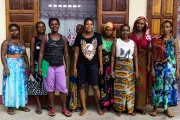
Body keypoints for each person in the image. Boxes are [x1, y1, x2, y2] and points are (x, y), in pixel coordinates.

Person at [38, 18, 71, 117]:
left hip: (60, 66)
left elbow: (65, 53)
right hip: (47, 66)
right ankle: (52, 108)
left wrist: (67, 67)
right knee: (50, 88)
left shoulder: (63, 38)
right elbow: (41, 53)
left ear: (59, 25)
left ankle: (64, 108)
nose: (54, 26)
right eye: (52, 24)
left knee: (63, 88)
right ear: (49, 26)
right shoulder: (46, 38)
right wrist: (40, 67)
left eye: (56, 24)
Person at [73, 17, 104, 116]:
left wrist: (101, 66)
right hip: (81, 65)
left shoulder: (97, 36)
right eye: (87, 24)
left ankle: (98, 106)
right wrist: (74, 67)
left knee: (95, 87)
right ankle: (84, 107)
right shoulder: (79, 37)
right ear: (84, 25)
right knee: (82, 86)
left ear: (93, 25)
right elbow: (77, 52)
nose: (89, 26)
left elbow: (99, 51)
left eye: (91, 24)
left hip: (94, 65)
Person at [150, 20, 179, 118]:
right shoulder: (157, 39)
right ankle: (155, 108)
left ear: (170, 28)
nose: (165, 29)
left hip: (170, 67)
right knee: (157, 87)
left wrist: (178, 69)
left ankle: (166, 109)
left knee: (167, 88)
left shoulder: (174, 40)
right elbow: (153, 54)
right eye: (163, 27)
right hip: (159, 67)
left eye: (167, 27)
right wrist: (152, 68)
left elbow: (176, 55)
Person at [1, 24, 30, 115]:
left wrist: (28, 65)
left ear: (19, 30)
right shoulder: (6, 42)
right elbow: (2, 56)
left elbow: (24, 54)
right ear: (9, 32)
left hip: (21, 66)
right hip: (11, 67)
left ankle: (21, 104)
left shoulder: (22, 41)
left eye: (16, 30)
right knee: (11, 85)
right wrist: (6, 68)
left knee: (21, 85)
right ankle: (10, 106)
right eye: (12, 30)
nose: (14, 32)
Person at [111, 24, 138, 116]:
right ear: (120, 31)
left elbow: (135, 58)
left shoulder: (133, 43)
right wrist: (112, 70)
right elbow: (112, 57)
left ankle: (130, 109)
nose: (125, 32)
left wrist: (136, 71)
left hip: (130, 68)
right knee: (119, 89)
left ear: (129, 32)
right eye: (123, 30)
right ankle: (119, 109)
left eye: (127, 30)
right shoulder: (116, 42)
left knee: (130, 90)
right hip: (119, 67)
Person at [28, 21, 50, 114]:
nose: (41, 28)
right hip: (37, 64)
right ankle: (38, 105)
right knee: (36, 84)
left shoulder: (48, 38)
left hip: (46, 64)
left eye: (43, 27)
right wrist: (32, 65)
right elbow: (32, 52)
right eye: (39, 27)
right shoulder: (34, 39)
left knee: (46, 84)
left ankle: (44, 104)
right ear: (36, 29)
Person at [131, 16, 151, 114]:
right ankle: (132, 105)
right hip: (132, 61)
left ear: (145, 25)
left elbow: (149, 51)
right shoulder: (131, 35)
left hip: (143, 61)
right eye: (138, 23)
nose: (140, 25)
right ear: (136, 24)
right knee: (132, 83)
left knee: (142, 84)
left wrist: (148, 64)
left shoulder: (147, 36)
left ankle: (141, 106)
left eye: (142, 23)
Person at [68, 24, 89, 112]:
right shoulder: (72, 38)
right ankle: (73, 105)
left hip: (84, 64)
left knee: (83, 84)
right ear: (75, 30)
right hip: (73, 64)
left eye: (81, 29)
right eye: (78, 29)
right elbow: (68, 51)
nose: (79, 31)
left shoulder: (86, 38)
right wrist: (72, 48)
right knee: (73, 84)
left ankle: (81, 104)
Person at [99, 22, 116, 111]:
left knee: (112, 83)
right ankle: (104, 104)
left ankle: (111, 103)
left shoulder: (116, 40)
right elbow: (99, 52)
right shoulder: (101, 39)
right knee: (103, 83)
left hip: (113, 64)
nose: (108, 32)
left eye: (110, 30)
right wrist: (101, 65)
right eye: (107, 29)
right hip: (103, 63)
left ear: (113, 31)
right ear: (104, 30)